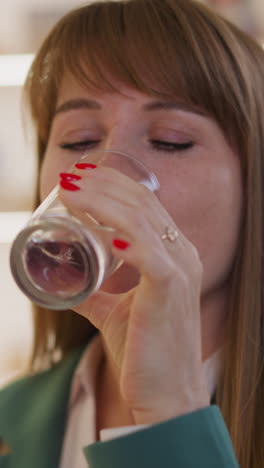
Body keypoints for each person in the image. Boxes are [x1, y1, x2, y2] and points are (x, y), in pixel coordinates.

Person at [0, 0, 264, 466]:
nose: (108, 173)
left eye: (171, 139)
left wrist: (172, 416)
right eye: (78, 141)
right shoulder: (11, 416)